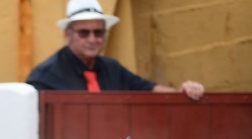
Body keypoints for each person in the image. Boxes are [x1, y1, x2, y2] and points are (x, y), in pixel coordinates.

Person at [26, 0, 205, 100]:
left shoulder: (111, 68)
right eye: (84, 33)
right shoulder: (44, 77)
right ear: (68, 34)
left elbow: (148, 89)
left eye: (98, 32)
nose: (92, 39)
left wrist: (183, 92)